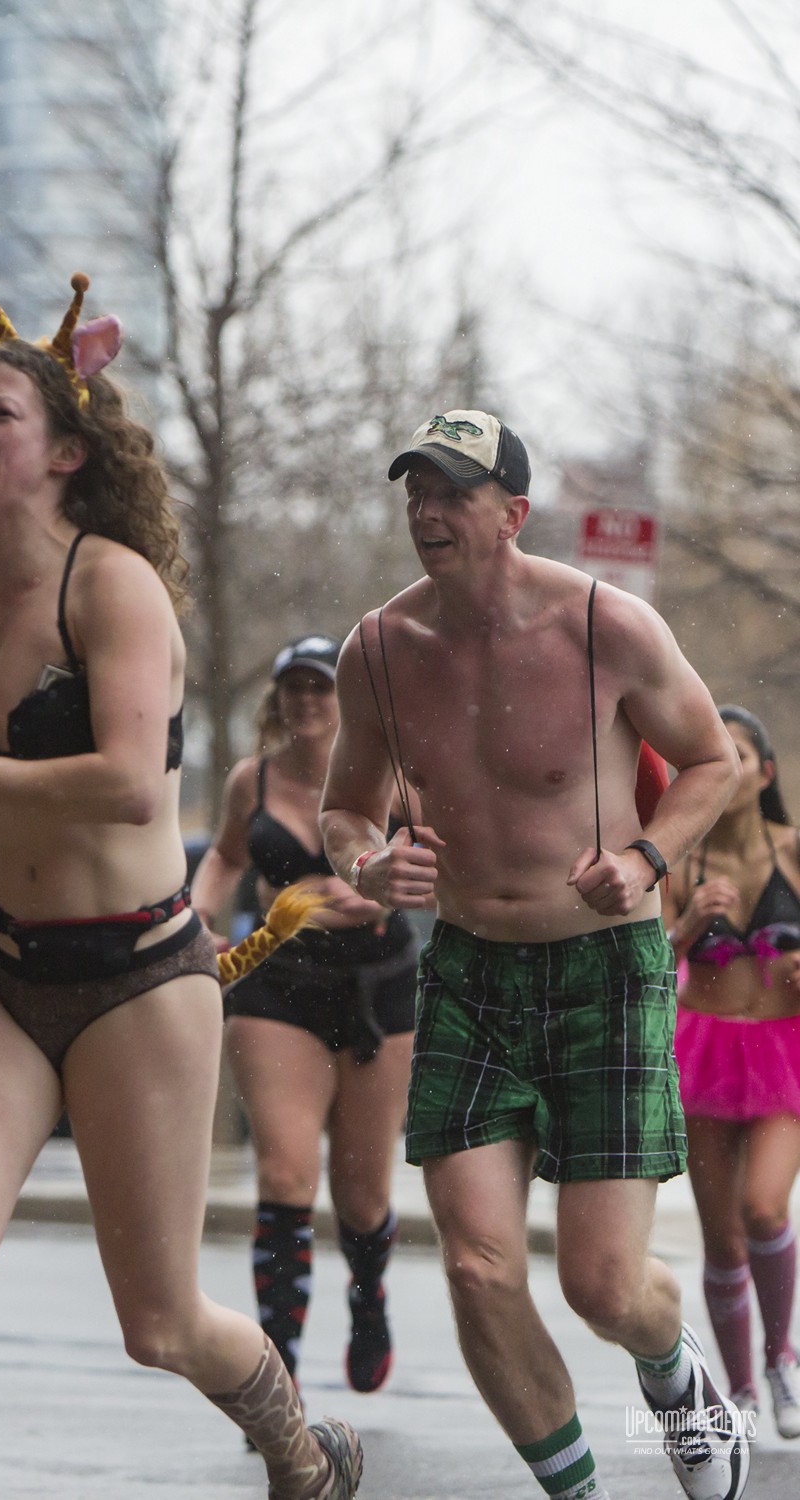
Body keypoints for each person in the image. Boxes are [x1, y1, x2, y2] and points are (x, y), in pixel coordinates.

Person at [0, 274, 361, 1500]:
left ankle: (302, 1455)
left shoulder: (114, 586)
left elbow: (137, 788)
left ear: (68, 452)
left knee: (159, 1323)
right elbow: (45, 788)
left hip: (140, 979)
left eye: (0, 415)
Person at [318, 408, 750, 1500]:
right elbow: (343, 811)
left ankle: (672, 1370)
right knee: (473, 1265)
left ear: (511, 513)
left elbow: (712, 762)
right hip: (467, 971)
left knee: (604, 1287)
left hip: (604, 968)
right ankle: (577, 1490)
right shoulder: (378, 648)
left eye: (452, 492)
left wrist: (646, 858)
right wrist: (369, 866)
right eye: (415, 490)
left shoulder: (606, 625)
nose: (426, 511)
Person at [190, 635, 417, 1401]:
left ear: (346, 697)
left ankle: (369, 1298)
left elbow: (435, 857)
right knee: (285, 1169)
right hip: (277, 982)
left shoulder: (389, 776)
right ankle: (278, 1362)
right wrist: (197, 916)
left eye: (323, 687)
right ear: (279, 697)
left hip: (378, 983)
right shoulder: (251, 781)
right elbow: (225, 856)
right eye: (295, 686)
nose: (309, 701)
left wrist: (383, 885)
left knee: (363, 1194)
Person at [665, 704, 800, 1439]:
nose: (726, 764)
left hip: (786, 1050)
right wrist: (688, 928)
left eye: (739, 753)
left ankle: (781, 1359)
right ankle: (742, 1391)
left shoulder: (794, 848)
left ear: (765, 772)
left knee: (763, 1209)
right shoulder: (682, 859)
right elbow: (646, 957)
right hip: (706, 1050)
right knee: (722, 1240)